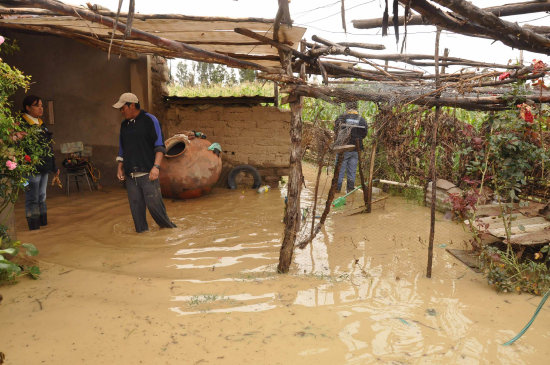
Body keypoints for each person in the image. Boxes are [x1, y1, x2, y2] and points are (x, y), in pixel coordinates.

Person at [113, 92, 177, 233]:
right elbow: (122, 148)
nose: (121, 111)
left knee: (156, 210)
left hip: (148, 174)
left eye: (123, 108)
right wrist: (120, 167)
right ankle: (142, 240)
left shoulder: (150, 120)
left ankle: (170, 233)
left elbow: (159, 145)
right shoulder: (124, 126)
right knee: (137, 213)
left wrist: (156, 167)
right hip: (131, 176)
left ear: (132, 105)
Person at [21, 95, 59, 230]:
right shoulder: (22, 125)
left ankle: (43, 224)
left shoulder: (42, 125)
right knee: (32, 197)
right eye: (37, 105)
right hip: (30, 168)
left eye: (42, 106)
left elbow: (49, 147)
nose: (41, 108)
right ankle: (34, 226)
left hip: (44, 167)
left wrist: (54, 167)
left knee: (42, 196)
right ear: (27, 107)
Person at [333, 102, 368, 193]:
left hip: (343, 149)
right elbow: (364, 134)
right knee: (352, 171)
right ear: (356, 108)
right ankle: (350, 191)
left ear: (347, 107)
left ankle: (336, 190)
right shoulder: (362, 120)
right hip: (356, 150)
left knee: (339, 170)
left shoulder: (342, 117)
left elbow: (335, 130)